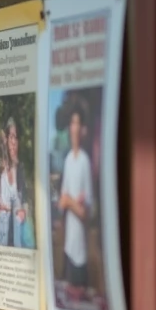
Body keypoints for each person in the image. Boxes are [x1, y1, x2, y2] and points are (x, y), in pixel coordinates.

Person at [57, 104, 93, 299]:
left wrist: (70, 203)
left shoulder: (84, 162)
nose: (74, 128)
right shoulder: (68, 160)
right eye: (72, 123)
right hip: (68, 247)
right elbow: (62, 202)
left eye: (77, 123)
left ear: (82, 129)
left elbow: (85, 212)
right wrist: (72, 202)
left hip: (80, 250)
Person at [0, 116, 33, 248]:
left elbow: (25, 201)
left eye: (16, 138)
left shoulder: (21, 170)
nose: (13, 142)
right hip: (3, 237)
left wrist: (23, 211)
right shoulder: (1, 170)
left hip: (18, 239)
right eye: (11, 137)